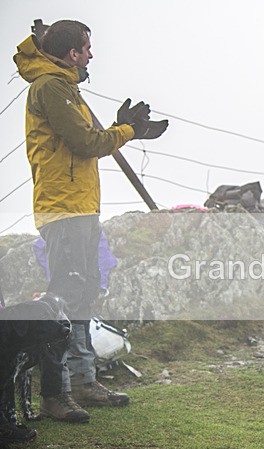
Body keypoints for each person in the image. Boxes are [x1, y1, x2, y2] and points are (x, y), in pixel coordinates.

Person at [13, 20, 168, 422]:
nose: (90, 55)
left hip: (78, 206)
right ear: (72, 53)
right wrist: (128, 130)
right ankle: (55, 394)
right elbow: (85, 143)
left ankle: (82, 381)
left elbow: (85, 139)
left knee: (81, 294)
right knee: (64, 298)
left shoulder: (64, 86)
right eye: (86, 48)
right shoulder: (50, 87)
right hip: (63, 208)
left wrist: (121, 129)